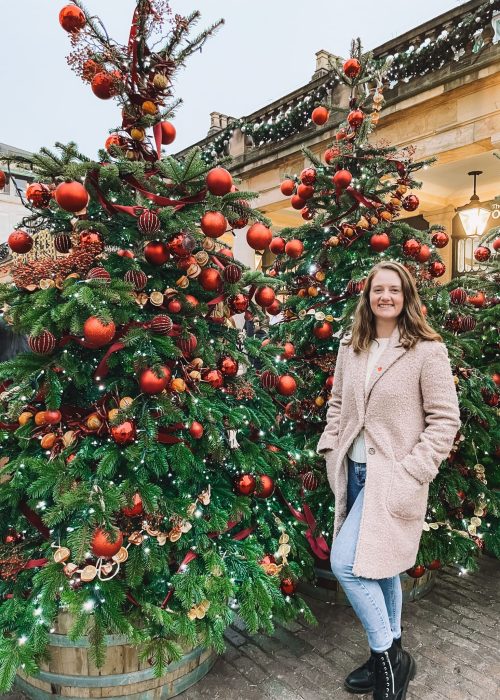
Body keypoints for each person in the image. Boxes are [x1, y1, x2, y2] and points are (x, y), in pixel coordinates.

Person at [317, 261, 460, 700]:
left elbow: (444, 421)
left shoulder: (426, 350)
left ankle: (386, 663)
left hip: (393, 477)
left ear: (406, 296)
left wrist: (412, 473)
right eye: (378, 289)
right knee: (377, 570)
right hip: (354, 472)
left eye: (393, 290)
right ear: (368, 296)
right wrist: (329, 446)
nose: (385, 297)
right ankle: (398, 653)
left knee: (346, 564)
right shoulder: (352, 345)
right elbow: (338, 403)